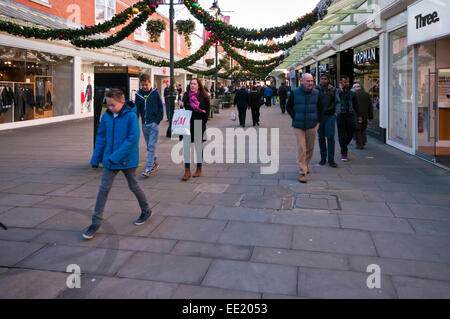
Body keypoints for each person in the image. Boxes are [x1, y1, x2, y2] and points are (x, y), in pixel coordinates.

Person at [83, 88, 152, 240]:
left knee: (134, 185)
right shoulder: (106, 117)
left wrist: (115, 156)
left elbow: (132, 139)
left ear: (122, 102)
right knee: (103, 190)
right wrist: (96, 158)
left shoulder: (131, 116)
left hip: (126, 159)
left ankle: (146, 210)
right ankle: (95, 223)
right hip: (110, 160)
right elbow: (100, 138)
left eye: (113, 105)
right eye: (108, 105)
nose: (110, 108)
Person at [286, 73, 320, 183]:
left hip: (312, 125)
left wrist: (318, 121)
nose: (310, 83)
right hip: (298, 125)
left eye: (311, 81)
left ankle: (305, 165)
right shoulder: (295, 92)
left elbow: (320, 108)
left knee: (310, 148)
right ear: (302, 81)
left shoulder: (316, 93)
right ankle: (302, 172)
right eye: (308, 81)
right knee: (302, 148)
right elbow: (288, 106)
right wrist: (295, 117)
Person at [179, 78, 210, 181]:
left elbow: (207, 110)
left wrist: (203, 122)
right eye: (191, 83)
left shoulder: (203, 96)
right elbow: (183, 110)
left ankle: (199, 168)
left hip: (198, 123)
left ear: (198, 85)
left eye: (194, 84)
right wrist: (182, 105)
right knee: (186, 147)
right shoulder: (186, 95)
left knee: (198, 147)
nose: (192, 85)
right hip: (187, 124)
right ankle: (187, 170)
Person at [135, 74, 164, 177]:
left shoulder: (155, 93)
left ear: (149, 83)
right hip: (144, 124)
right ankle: (154, 162)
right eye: (142, 85)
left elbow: (161, 108)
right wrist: (135, 122)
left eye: (146, 85)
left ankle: (148, 168)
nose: (144, 87)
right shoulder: (138, 94)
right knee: (149, 146)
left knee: (151, 146)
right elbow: (137, 110)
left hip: (153, 124)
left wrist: (157, 121)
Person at [316, 74, 340, 168]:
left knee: (330, 137)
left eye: (325, 79)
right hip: (319, 117)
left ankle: (331, 160)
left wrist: (335, 114)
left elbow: (338, 103)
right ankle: (323, 158)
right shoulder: (316, 90)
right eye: (322, 79)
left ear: (328, 80)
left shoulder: (333, 90)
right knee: (321, 137)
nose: (323, 80)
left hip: (330, 116)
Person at [336, 75, 360, 161]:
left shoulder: (352, 93)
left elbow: (356, 105)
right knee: (342, 134)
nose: (346, 83)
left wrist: (359, 115)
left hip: (350, 115)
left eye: (348, 82)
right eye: (344, 82)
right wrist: (341, 90)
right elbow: (336, 100)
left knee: (351, 132)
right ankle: (344, 153)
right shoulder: (337, 92)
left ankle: (343, 145)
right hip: (340, 116)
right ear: (341, 83)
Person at [352, 83, 373, 149]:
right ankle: (363, 141)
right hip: (365, 115)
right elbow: (370, 106)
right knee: (363, 128)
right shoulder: (366, 94)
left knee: (357, 129)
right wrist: (370, 116)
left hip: (356, 115)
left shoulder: (353, 94)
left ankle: (359, 144)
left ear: (354, 88)